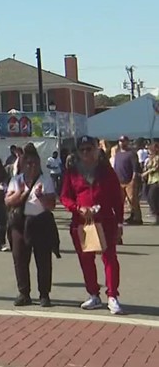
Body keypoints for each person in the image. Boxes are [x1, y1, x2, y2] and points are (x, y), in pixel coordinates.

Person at [60, 135, 125, 315]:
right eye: (83, 150)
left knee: (109, 257)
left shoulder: (106, 171)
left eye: (90, 148)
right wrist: (77, 208)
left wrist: (120, 222)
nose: (86, 152)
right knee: (86, 259)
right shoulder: (72, 172)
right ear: (78, 153)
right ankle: (93, 294)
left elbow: (117, 200)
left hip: (106, 220)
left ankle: (112, 295)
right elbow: (65, 196)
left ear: (97, 149)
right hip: (82, 221)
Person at [5, 145, 59, 308]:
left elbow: (51, 205)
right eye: (28, 163)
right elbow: (7, 202)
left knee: (43, 260)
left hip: (40, 223)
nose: (32, 166)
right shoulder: (17, 180)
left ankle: (44, 294)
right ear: (23, 164)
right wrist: (20, 193)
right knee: (20, 259)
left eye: (35, 163)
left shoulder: (45, 180)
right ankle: (24, 293)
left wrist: (41, 197)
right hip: (20, 224)